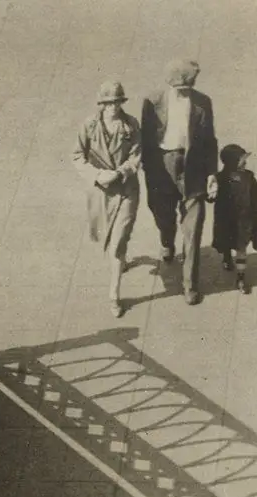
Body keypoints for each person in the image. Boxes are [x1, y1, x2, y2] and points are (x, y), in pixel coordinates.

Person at [141, 59, 218, 305]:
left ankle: (190, 285)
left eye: (188, 88)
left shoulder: (203, 102)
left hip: (193, 167)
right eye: (179, 89)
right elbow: (145, 140)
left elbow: (210, 140)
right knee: (162, 214)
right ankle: (167, 240)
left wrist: (212, 173)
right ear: (170, 84)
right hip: (162, 167)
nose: (184, 93)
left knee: (193, 229)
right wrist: (148, 171)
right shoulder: (152, 101)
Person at [72, 80, 141, 317]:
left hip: (126, 190)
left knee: (117, 243)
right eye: (108, 103)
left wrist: (120, 173)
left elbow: (136, 156)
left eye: (117, 102)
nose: (113, 107)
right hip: (101, 192)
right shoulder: (89, 126)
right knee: (106, 236)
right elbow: (77, 156)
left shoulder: (131, 125)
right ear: (101, 104)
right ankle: (122, 259)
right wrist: (97, 175)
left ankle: (114, 294)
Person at [212, 143, 257, 294]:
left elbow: (254, 194)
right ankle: (227, 257)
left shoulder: (249, 177)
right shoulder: (219, 178)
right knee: (226, 241)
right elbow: (211, 196)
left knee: (241, 247)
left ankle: (240, 278)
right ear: (233, 162)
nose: (245, 162)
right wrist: (211, 193)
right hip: (226, 219)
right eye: (242, 160)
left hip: (244, 219)